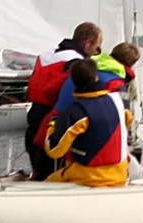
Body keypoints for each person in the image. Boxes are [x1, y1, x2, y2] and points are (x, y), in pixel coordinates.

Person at [25, 22, 100, 179]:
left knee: (39, 169)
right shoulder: (76, 63)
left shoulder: (45, 56)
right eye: (97, 47)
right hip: (52, 121)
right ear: (87, 43)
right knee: (51, 172)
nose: (96, 52)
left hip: (33, 116)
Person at [42, 59, 129, 187]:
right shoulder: (119, 102)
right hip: (120, 175)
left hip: (87, 178)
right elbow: (128, 120)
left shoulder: (76, 112)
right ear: (96, 77)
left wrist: (53, 124)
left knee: (47, 182)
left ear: (74, 82)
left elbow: (54, 150)